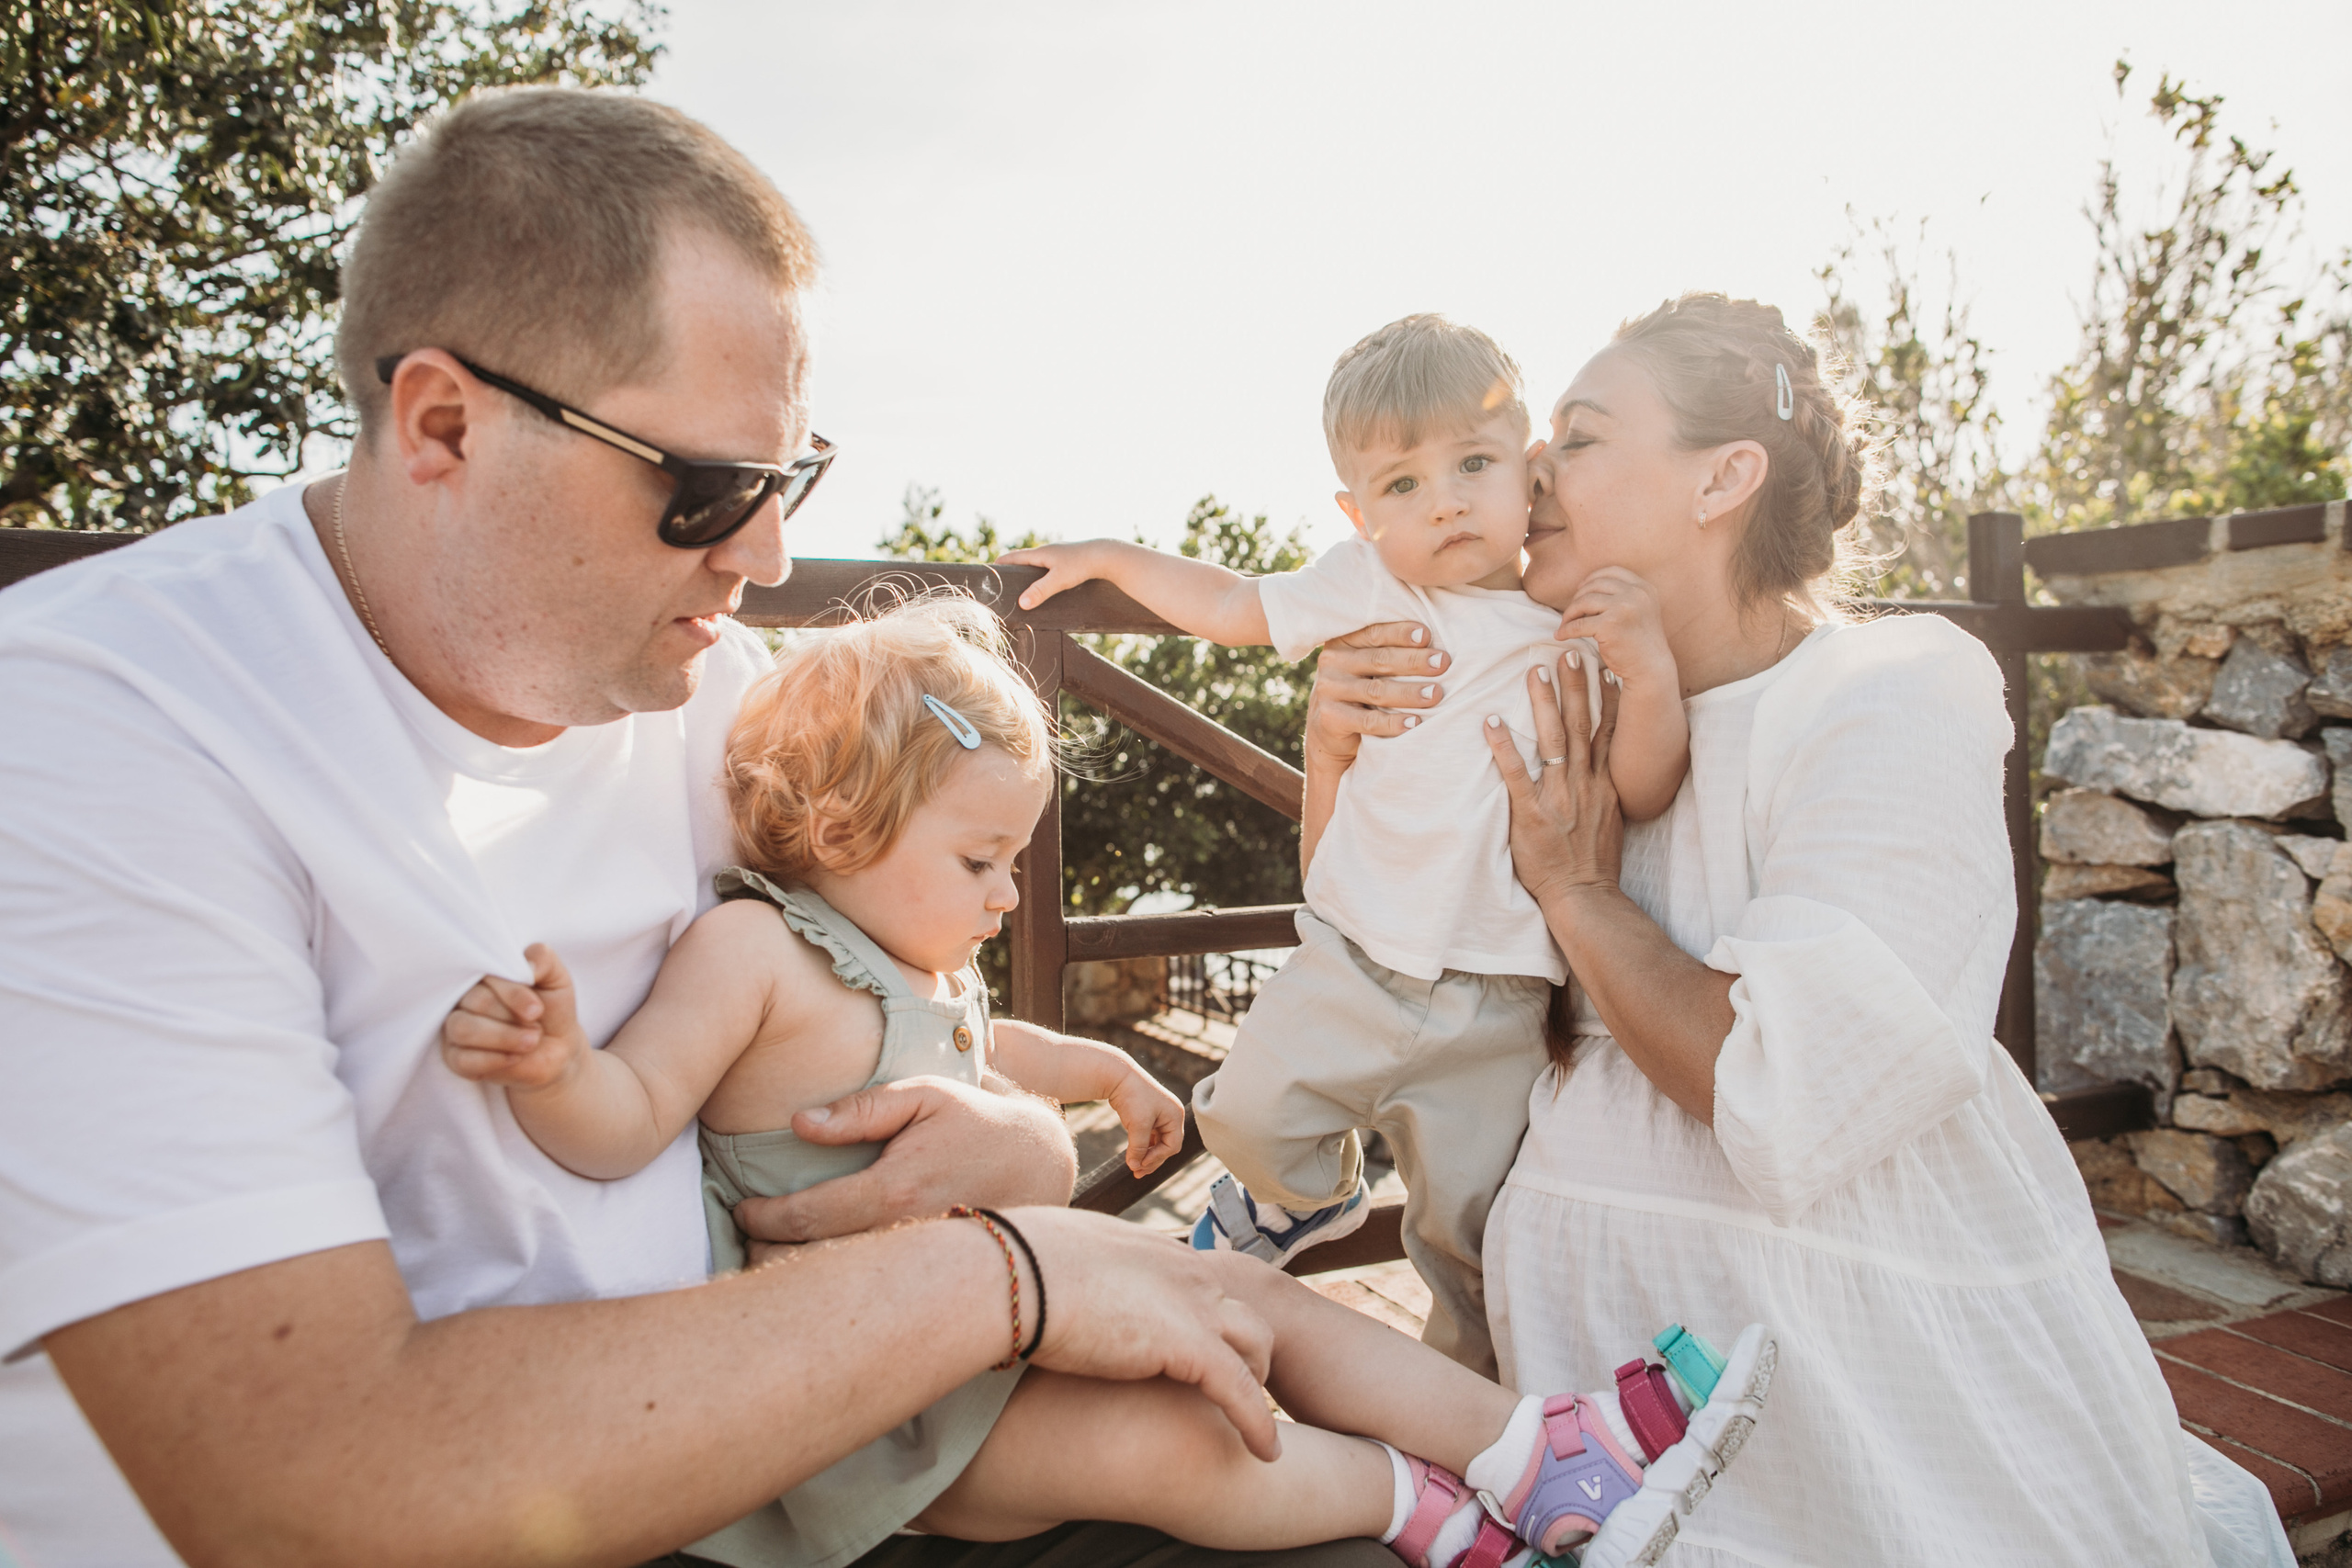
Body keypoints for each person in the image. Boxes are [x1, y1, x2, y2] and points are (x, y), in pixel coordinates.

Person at [0, 87, 1354, 1568]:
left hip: (802, 1463)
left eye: (792, 479)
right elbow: (308, 1485)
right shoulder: (101, 727)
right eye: (711, 487)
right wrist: (1002, 1273)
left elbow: (912, 1004)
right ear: (445, 424)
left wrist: (1020, 1144)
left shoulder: (717, 691)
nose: (764, 555)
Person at [440, 590, 1783, 1568]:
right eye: (980, 862)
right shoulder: (755, 954)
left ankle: (1542, 1446)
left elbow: (991, 1049)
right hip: (875, 1411)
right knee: (1181, 1448)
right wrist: (557, 1065)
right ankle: (1432, 1514)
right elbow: (626, 1120)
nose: (1004, 894)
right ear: (842, 828)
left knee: (1258, 1298)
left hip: (996, 1329)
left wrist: (1104, 1069)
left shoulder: (912, 965)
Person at [1303, 292, 2298, 1568]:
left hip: (1843, 1398)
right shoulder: (1552, 697)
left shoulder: (1886, 691)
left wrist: (1581, 894)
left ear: (1723, 479)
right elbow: (1374, 944)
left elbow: (1793, 1088)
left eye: (1581, 436)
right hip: (1579, 1406)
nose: (1532, 469)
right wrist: (1335, 753)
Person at [1001, 315, 1688, 1375]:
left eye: (1473, 464)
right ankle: (1312, 1200)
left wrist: (1648, 670)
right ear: (1357, 514)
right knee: (1241, 1116)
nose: (1445, 501)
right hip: (1353, 958)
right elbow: (1229, 603)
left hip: (1501, 992)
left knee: (1470, 1238)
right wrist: (1106, 559)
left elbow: (1643, 785)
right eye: (1402, 484)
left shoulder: (1575, 619)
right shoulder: (1370, 584)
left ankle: (1470, 1409)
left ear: (1529, 468)